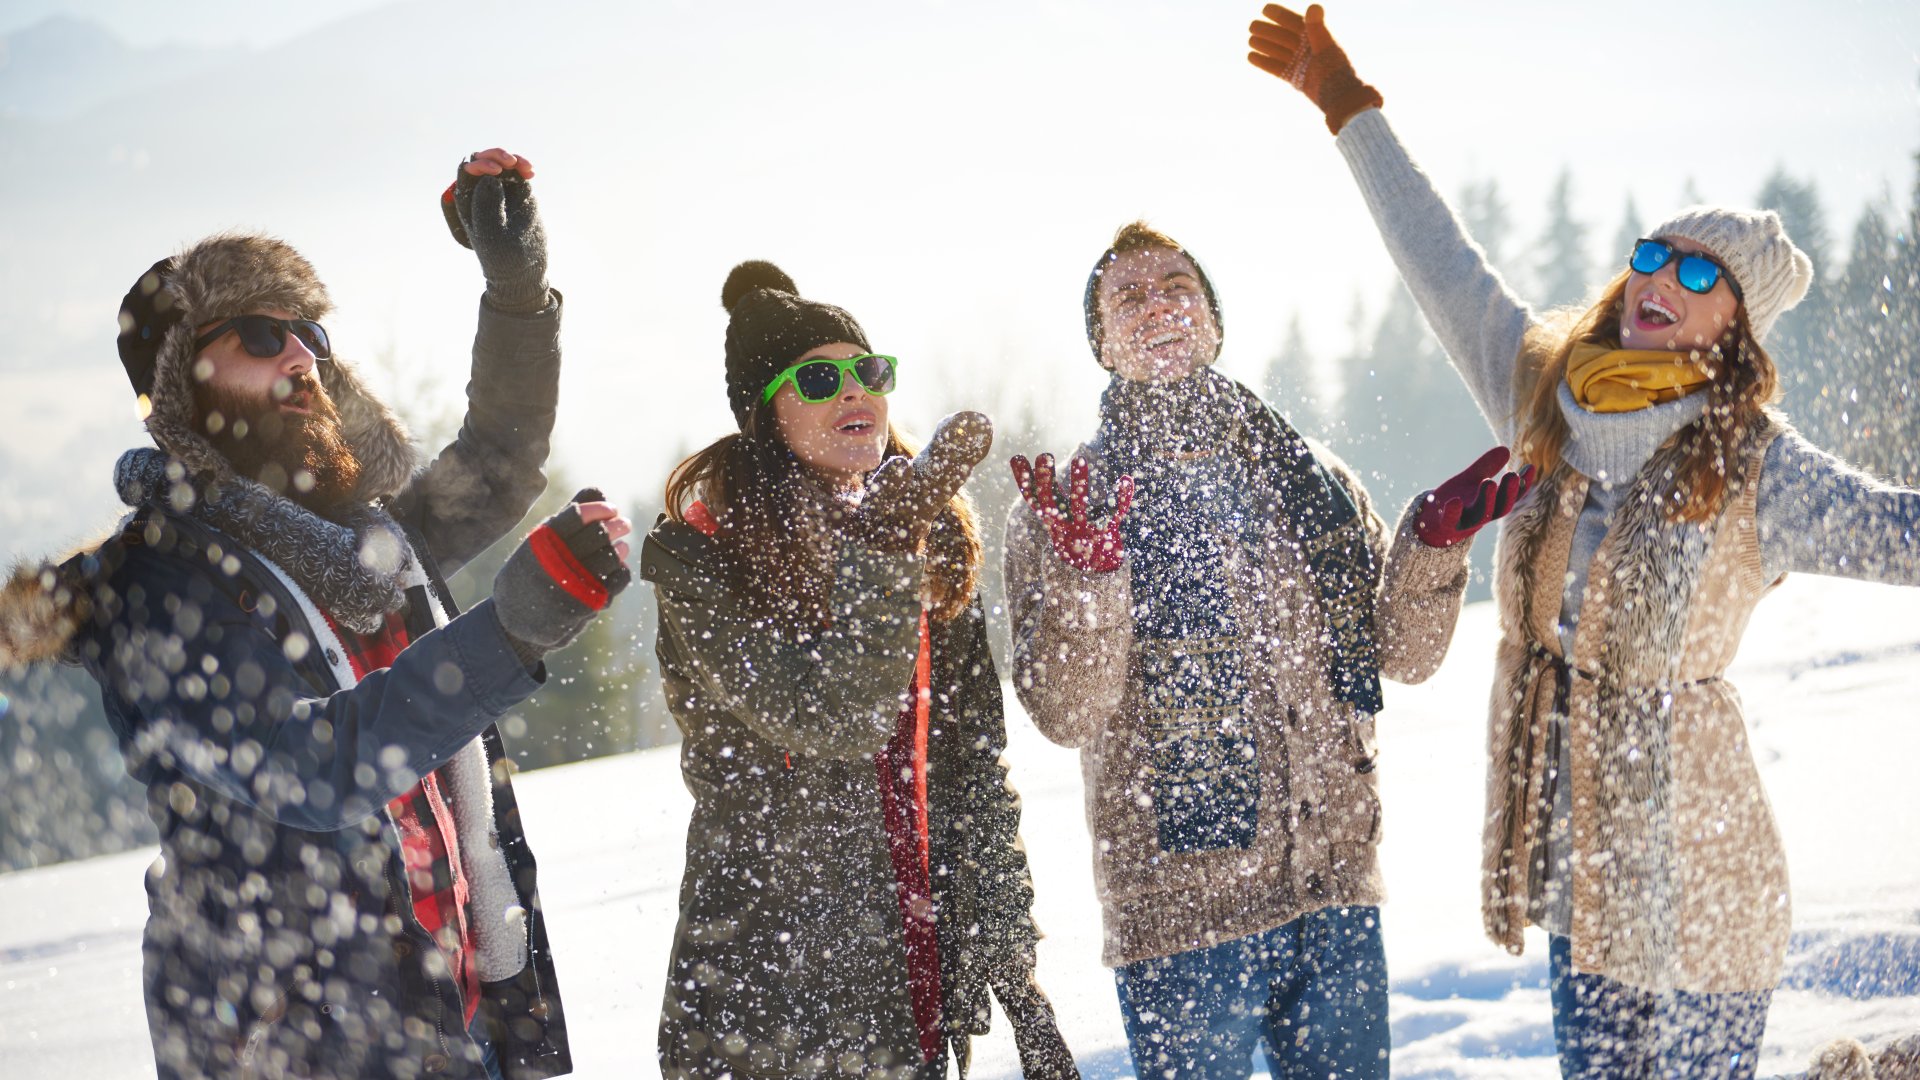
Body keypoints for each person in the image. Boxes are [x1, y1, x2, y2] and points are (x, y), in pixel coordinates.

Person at [1249, 6, 1920, 1077]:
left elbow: (1903, 533)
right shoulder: (1543, 391)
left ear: (1735, 330)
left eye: (1702, 277)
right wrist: (1346, 104)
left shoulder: (1755, 464)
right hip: (1579, 873)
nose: (1663, 280)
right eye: (1657, 255)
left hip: (1706, 880)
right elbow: (1441, 261)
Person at [0, 148, 630, 1080]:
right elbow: (310, 770)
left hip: (459, 1015)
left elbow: (497, 457)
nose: (300, 354)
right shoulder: (151, 588)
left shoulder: (364, 547)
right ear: (181, 391)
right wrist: (510, 632)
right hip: (298, 1041)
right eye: (258, 334)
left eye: (309, 334)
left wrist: (516, 281)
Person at [1004, 220, 1531, 1079]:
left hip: (1336, 896)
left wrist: (1431, 550)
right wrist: (1092, 576)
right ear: (1101, 344)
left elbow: (1400, 655)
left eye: (1177, 286)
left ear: (1212, 319)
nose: (1158, 306)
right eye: (1128, 297)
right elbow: (1068, 712)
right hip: (1185, 926)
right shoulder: (1072, 506)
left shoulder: (1307, 475)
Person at [641, 261, 1077, 1080]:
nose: (855, 392)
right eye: (818, 377)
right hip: (765, 991)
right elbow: (832, 719)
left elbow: (969, 766)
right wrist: (884, 551)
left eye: (868, 371)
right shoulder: (699, 558)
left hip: (904, 975)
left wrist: (1012, 966)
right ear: (763, 413)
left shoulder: (926, 536)